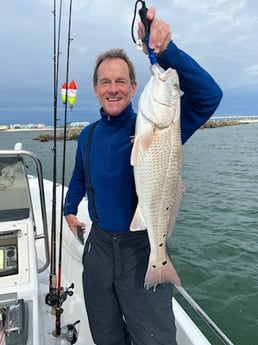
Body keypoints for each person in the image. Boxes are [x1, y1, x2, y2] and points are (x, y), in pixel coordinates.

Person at [64, 7, 223, 345]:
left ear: (135, 87)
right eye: (105, 81)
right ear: (95, 89)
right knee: (106, 336)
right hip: (99, 249)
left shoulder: (157, 128)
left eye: (121, 81)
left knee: (155, 338)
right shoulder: (87, 136)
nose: (113, 88)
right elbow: (80, 176)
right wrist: (68, 208)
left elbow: (210, 96)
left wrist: (165, 52)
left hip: (142, 249)